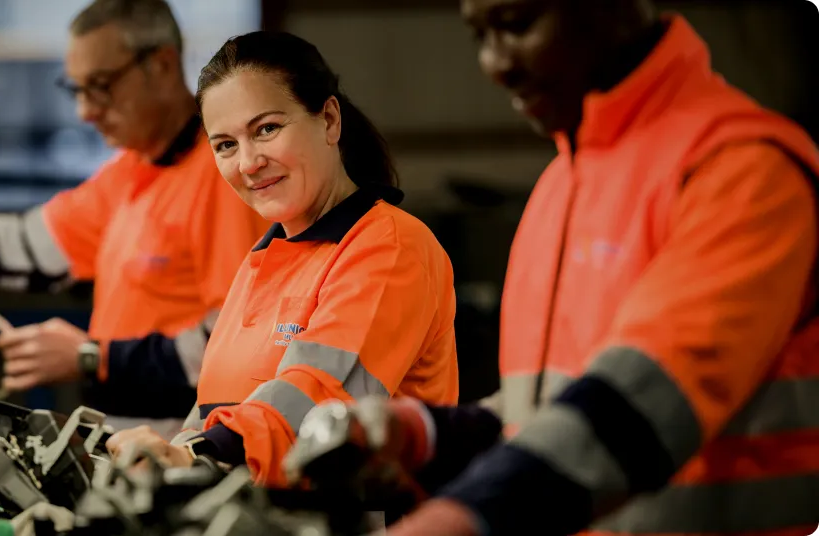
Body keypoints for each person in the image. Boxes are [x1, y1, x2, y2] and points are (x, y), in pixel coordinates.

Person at [326, 1, 819, 534]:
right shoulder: (561, 187)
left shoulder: (742, 172)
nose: (495, 63)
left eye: (517, 24)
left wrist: (455, 521)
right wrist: (427, 432)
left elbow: (636, 409)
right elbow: (546, 412)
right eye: (479, 35)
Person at [0, 0, 269, 435]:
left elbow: (241, 341)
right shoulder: (131, 171)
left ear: (162, 65)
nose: (85, 112)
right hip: (124, 441)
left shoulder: (226, 177)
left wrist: (91, 357)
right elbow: (20, 246)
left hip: (188, 448)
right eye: (76, 90)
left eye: (101, 86)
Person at [106, 31, 461, 487]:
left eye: (266, 129)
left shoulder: (390, 247)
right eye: (225, 145)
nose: (249, 162)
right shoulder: (261, 264)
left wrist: (198, 457)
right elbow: (213, 413)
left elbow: (321, 401)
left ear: (329, 120)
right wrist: (172, 455)